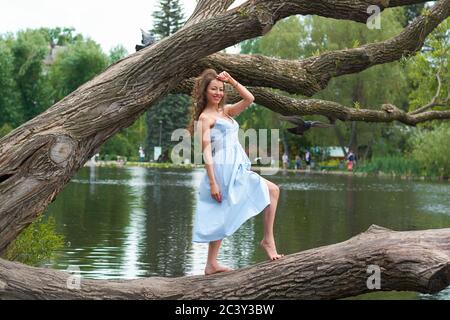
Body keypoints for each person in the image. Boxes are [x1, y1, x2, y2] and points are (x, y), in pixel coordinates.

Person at [188, 69, 283, 275]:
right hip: (222, 170)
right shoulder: (206, 118)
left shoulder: (226, 112)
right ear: (205, 91)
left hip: (236, 167)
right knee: (222, 211)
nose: (218, 93)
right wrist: (213, 182)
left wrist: (231, 80)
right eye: (213, 89)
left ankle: (265, 240)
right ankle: (212, 263)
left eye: (221, 89)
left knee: (272, 192)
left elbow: (249, 98)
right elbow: (206, 152)